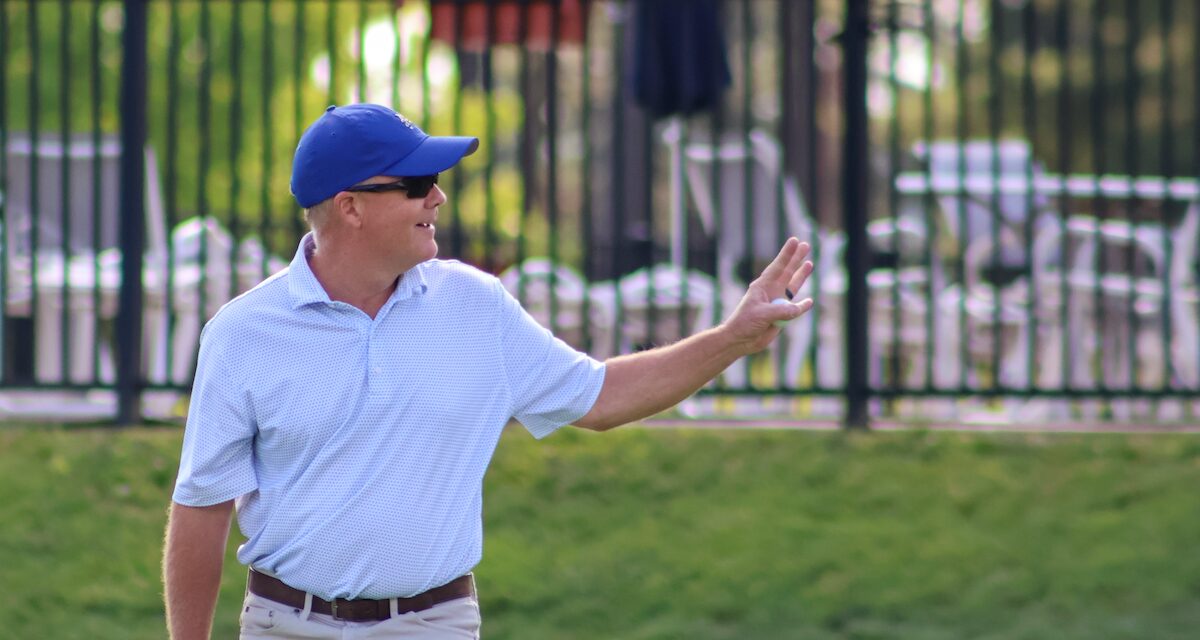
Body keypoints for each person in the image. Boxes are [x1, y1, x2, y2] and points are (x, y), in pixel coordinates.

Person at [162, 103, 815, 640]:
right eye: (417, 185)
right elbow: (201, 508)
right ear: (350, 206)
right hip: (284, 626)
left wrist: (734, 338)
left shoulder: (475, 305)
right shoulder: (243, 334)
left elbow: (603, 397)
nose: (439, 197)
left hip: (434, 626)